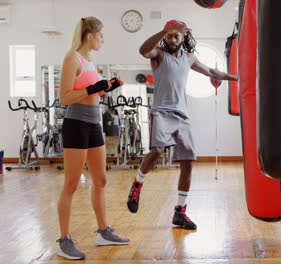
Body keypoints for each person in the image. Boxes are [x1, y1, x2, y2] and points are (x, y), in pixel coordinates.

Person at [127, 20, 238, 230]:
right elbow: (143, 50)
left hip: (181, 115)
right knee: (158, 150)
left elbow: (212, 72)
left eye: (175, 36)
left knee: (188, 163)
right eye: (169, 36)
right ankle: (137, 184)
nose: (171, 40)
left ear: (183, 36)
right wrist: (163, 29)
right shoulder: (159, 55)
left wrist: (236, 77)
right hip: (161, 111)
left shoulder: (188, 58)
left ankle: (180, 212)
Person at [57, 16, 129, 260]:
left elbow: (90, 92)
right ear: (90, 35)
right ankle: (64, 239)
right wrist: (90, 89)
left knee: (101, 180)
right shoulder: (72, 58)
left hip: (94, 123)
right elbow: (65, 98)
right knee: (71, 184)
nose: (103, 40)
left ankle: (102, 231)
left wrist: (104, 88)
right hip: (76, 124)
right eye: (101, 36)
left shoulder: (90, 61)